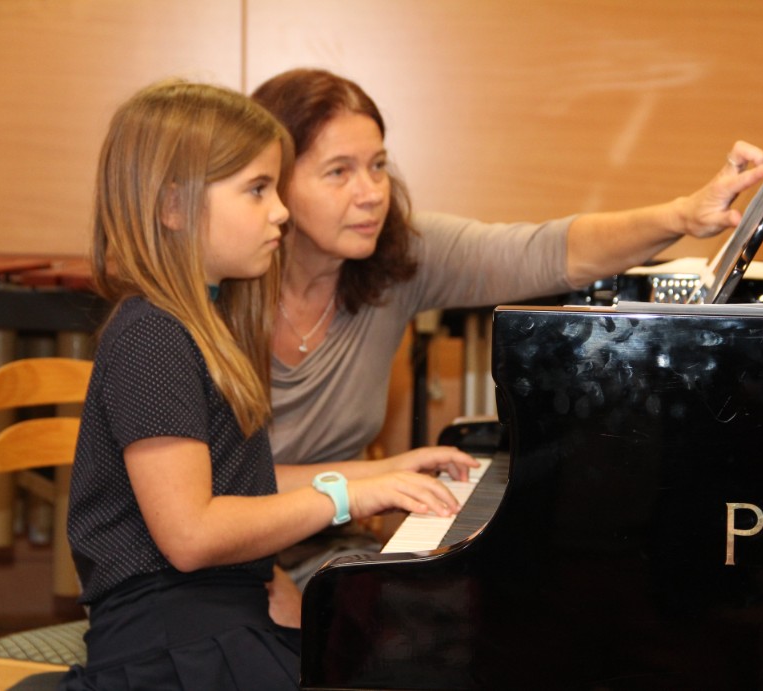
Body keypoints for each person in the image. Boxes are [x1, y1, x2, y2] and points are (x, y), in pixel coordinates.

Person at [249, 68, 763, 586]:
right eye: (338, 172)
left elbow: (549, 251)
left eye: (378, 166)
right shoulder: (224, 285)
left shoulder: (398, 258)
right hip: (231, 558)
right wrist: (366, 481)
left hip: (323, 546)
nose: (370, 193)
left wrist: (682, 216)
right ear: (274, 182)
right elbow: (213, 499)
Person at [49, 79, 476, 691]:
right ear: (173, 208)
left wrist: (381, 474)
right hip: (170, 650)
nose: (280, 210)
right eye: (257, 189)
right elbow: (191, 535)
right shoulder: (152, 335)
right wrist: (345, 498)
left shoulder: (203, 322)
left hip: (216, 623)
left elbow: (238, 486)